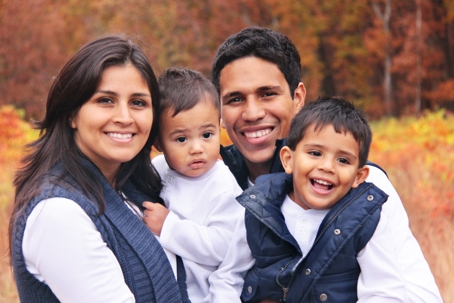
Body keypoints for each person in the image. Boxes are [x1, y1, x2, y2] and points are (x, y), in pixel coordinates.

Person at [211, 26, 442, 302]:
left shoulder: (362, 191)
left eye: (267, 94)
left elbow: (420, 296)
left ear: (297, 98)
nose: (252, 113)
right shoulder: (207, 181)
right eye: (235, 99)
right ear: (220, 113)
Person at [9, 35, 189, 303]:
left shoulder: (135, 190)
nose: (125, 118)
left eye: (138, 103)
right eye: (105, 100)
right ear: (71, 113)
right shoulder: (58, 212)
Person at [237, 96, 415, 301]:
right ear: (288, 160)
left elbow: (386, 292)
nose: (327, 167)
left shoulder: (363, 221)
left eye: (342, 160)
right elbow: (230, 276)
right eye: (315, 153)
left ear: (358, 176)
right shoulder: (259, 209)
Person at [142, 67, 253, 303]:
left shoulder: (221, 183)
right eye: (181, 139)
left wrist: (169, 227)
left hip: (200, 294)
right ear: (159, 143)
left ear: (219, 125)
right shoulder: (159, 167)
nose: (197, 148)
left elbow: (224, 246)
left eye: (207, 135)